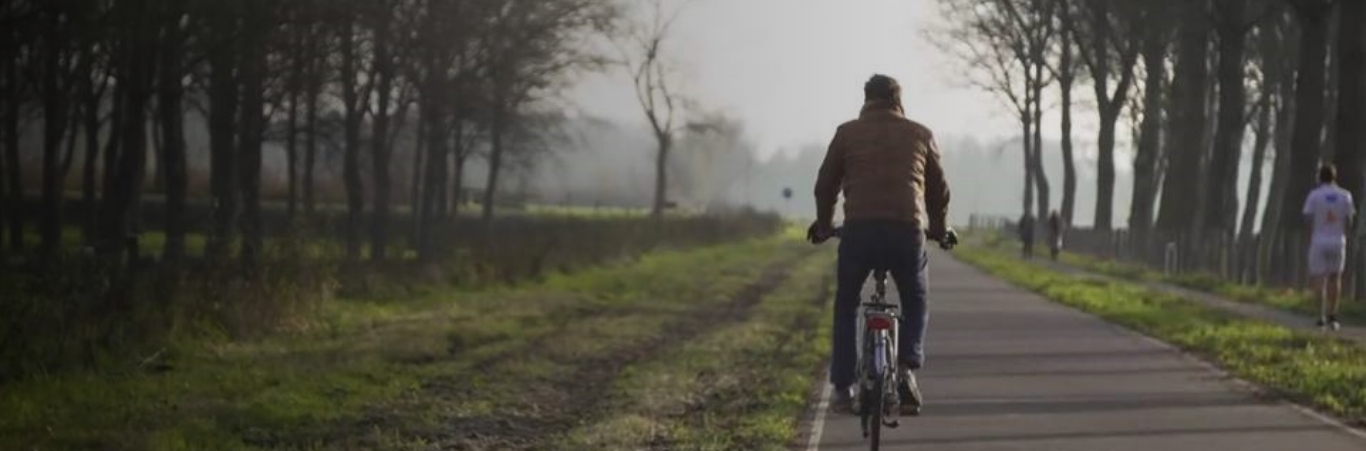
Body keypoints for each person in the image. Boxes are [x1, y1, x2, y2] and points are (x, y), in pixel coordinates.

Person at [807, 74, 954, 415]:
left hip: (859, 230)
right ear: (898, 101)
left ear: (866, 99)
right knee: (916, 297)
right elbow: (939, 191)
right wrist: (940, 228)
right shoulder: (921, 134)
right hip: (907, 230)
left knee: (846, 302)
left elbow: (825, 185)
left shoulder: (846, 134)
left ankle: (843, 388)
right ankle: (905, 369)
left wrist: (825, 225)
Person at [1302, 163, 1355, 330]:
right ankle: (1333, 317)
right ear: (1335, 177)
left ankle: (1320, 317)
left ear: (1320, 177)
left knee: (1319, 278)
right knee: (1335, 278)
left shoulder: (1314, 195)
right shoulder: (1345, 195)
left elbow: (1307, 218)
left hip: (1318, 240)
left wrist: (1311, 234)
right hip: (1338, 240)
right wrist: (1344, 234)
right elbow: (1349, 220)